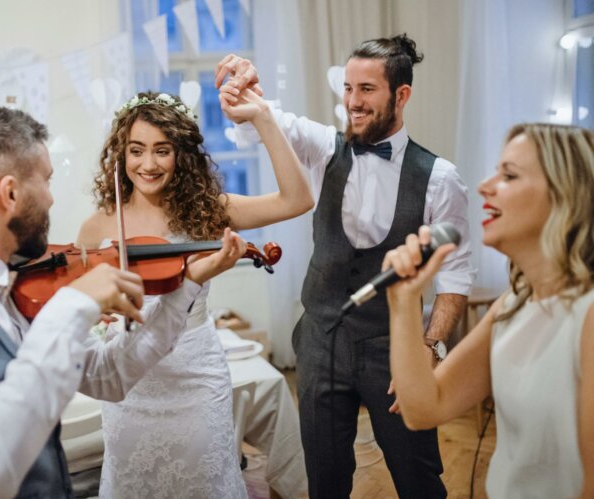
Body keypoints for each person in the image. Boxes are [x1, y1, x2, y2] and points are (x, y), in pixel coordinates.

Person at [0, 106, 247, 498]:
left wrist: (187, 284)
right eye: (46, 181)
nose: (53, 200)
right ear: (10, 194)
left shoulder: (19, 288)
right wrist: (72, 306)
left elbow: (112, 376)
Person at [216, 34, 475, 498]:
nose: (353, 102)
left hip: (392, 351)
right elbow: (266, 121)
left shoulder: (440, 178)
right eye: (349, 88)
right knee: (325, 479)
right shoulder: (322, 146)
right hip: (320, 343)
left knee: (419, 478)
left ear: (402, 95)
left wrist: (429, 347)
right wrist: (243, 88)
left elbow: (455, 277)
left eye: (367, 90)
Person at [77, 90, 313, 498]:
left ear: (181, 155)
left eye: (161, 151)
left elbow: (298, 199)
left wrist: (263, 119)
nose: (147, 164)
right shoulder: (98, 227)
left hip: (195, 376)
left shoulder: (207, 212)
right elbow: (85, 309)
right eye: (136, 150)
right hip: (131, 384)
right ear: (121, 154)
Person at [384, 124, 594, 498]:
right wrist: (402, 304)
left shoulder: (588, 315)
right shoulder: (512, 304)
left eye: (509, 175)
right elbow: (422, 408)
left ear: (566, 195)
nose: (484, 185)